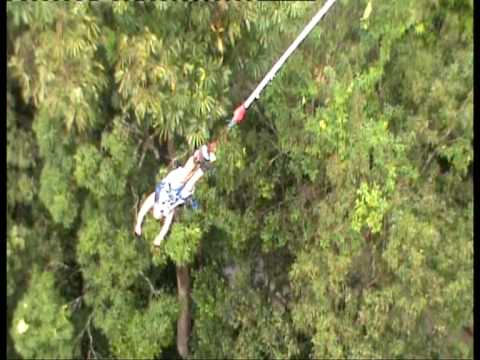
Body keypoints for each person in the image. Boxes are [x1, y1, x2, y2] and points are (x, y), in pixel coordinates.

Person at [134, 142, 217, 247]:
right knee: (191, 182)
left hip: (171, 185)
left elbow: (143, 209)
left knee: (184, 176)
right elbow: (166, 227)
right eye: (160, 216)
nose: (160, 214)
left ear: (154, 208)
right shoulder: (168, 212)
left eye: (157, 212)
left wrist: (138, 225)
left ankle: (197, 156)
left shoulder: (156, 198)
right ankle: (206, 165)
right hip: (180, 194)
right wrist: (159, 238)